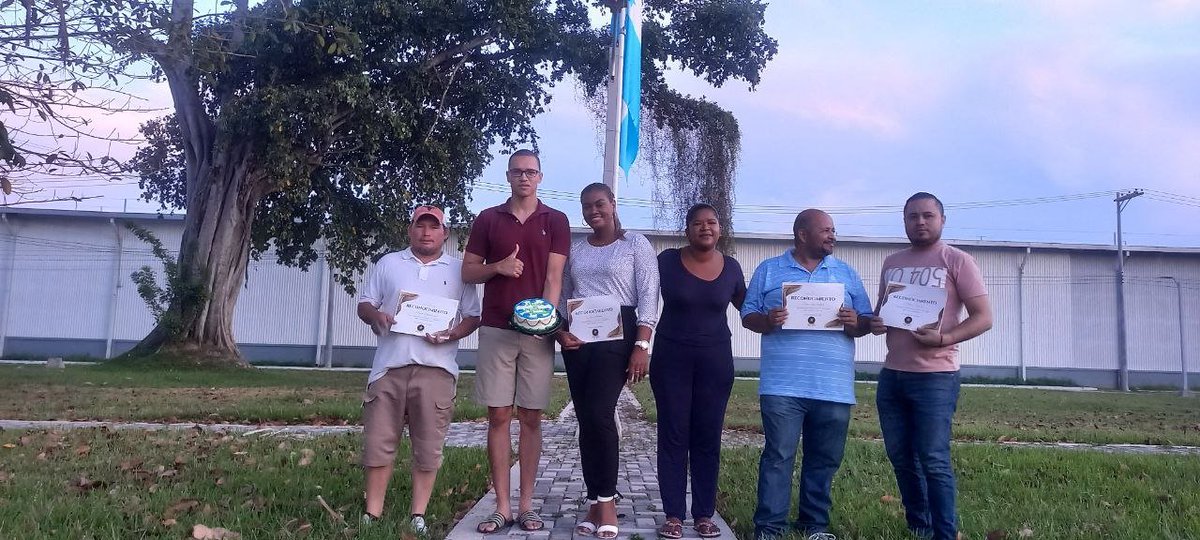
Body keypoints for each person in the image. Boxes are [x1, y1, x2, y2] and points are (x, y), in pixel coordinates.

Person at [741, 209, 873, 540]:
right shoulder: (769, 270)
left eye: (833, 230)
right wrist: (768, 321)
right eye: (826, 230)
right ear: (802, 234)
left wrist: (856, 322)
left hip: (833, 386)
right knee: (778, 457)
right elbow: (748, 315)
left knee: (823, 460)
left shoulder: (846, 273)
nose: (832, 236)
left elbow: (867, 322)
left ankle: (814, 525)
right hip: (782, 385)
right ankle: (769, 528)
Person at [869, 192, 992, 540]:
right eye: (912, 217)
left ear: (941, 220)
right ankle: (919, 526)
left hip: (936, 376)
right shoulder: (892, 262)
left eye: (927, 216)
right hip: (893, 375)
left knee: (933, 459)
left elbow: (984, 318)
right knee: (901, 456)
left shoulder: (957, 260)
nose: (920, 222)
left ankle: (944, 532)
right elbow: (886, 312)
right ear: (904, 221)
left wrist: (943, 338)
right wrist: (878, 322)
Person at [462, 149, 571, 534]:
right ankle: (501, 506)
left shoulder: (555, 220)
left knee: (531, 418)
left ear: (540, 177)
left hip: (536, 336)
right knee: (498, 416)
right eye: (517, 171)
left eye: (531, 172)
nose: (524, 177)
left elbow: (554, 277)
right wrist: (499, 268)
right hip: (495, 328)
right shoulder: (488, 219)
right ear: (507, 176)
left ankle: (526, 506)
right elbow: (469, 271)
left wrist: (544, 321)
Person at [356, 205, 482, 534]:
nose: (426, 232)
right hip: (389, 368)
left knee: (428, 446)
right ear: (410, 229)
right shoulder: (389, 264)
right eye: (419, 225)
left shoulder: (459, 271)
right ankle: (372, 513)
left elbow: (472, 316)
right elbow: (365, 303)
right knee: (379, 442)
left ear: (445, 232)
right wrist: (377, 316)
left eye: (433, 226)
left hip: (436, 369)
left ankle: (418, 514)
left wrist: (454, 333)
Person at [556, 183, 660, 539]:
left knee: (600, 415)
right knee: (586, 420)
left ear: (613, 204)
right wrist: (560, 331)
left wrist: (642, 345)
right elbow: (565, 295)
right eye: (586, 206)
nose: (593, 211)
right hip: (579, 338)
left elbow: (648, 294)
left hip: (619, 335)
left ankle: (608, 500)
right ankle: (593, 501)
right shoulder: (576, 249)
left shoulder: (635, 244)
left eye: (599, 203)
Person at [651, 203, 746, 539]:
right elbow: (640, 297)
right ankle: (674, 515)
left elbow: (749, 311)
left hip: (715, 361)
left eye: (712, 222)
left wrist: (789, 311)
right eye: (698, 223)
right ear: (687, 229)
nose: (706, 228)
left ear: (720, 228)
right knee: (674, 436)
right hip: (670, 359)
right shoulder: (665, 262)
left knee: (708, 437)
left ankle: (704, 514)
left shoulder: (732, 268)